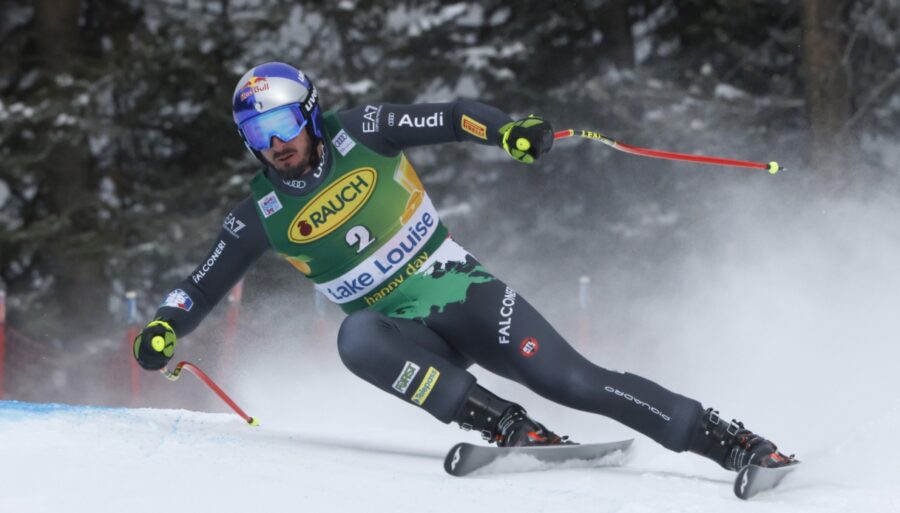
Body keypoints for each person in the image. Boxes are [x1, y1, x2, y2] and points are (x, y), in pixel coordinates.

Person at [133, 62, 793, 471]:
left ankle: (728, 440)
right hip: (402, 331)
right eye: (257, 133)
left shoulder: (360, 129)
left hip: (462, 292)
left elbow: (452, 118)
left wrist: (507, 130)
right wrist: (164, 326)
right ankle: (505, 422)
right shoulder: (263, 209)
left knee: (575, 379)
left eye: (281, 121)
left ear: (306, 110)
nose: (275, 143)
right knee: (356, 337)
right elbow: (200, 285)